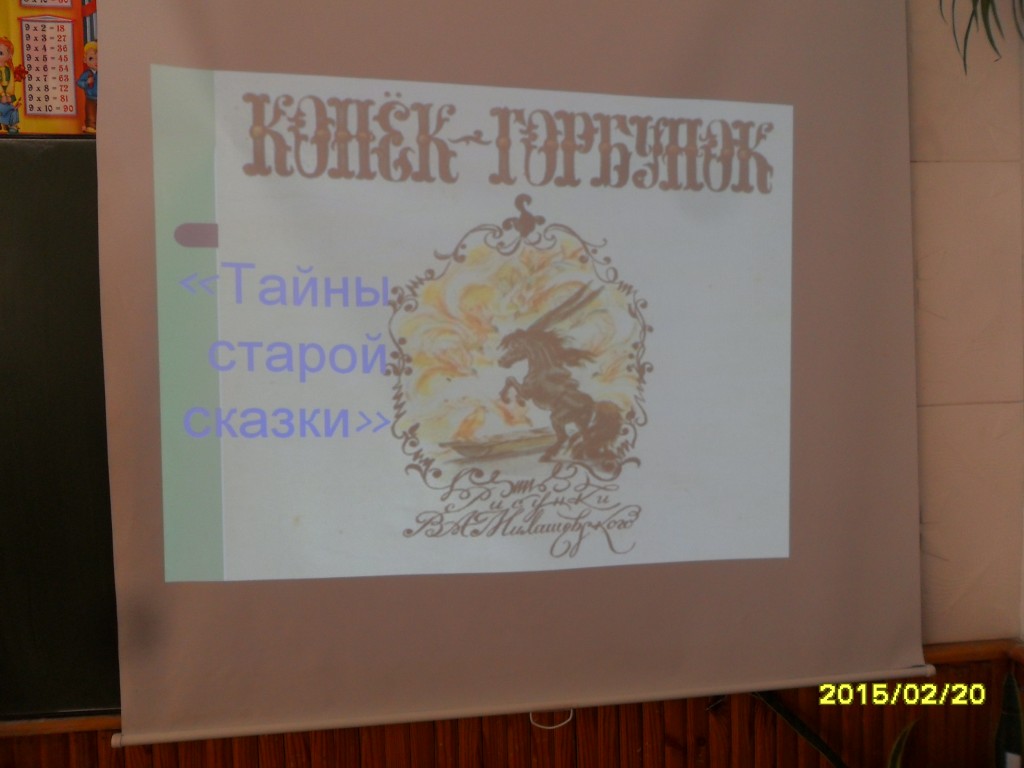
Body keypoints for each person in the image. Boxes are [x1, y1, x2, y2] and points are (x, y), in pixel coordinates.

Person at [0, 37, 20, 134]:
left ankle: (12, 125)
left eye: (1, 53)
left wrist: (8, 95)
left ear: (9, 56)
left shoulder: (9, 70)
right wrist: (2, 95)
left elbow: (11, 85)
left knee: (13, 110)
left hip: (6, 96)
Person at [76, 40, 97, 133]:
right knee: (90, 112)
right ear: (85, 60)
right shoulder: (87, 74)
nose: (96, 61)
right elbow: (79, 82)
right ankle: (91, 126)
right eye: (91, 58)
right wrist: (87, 83)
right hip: (90, 98)